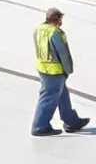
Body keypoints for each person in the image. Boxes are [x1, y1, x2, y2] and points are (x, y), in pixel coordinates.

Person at [32, 8, 90, 137]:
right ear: (57, 19)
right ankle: (39, 126)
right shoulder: (55, 33)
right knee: (48, 98)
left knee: (63, 95)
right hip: (55, 71)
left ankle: (72, 122)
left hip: (42, 68)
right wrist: (68, 70)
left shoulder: (39, 29)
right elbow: (63, 54)